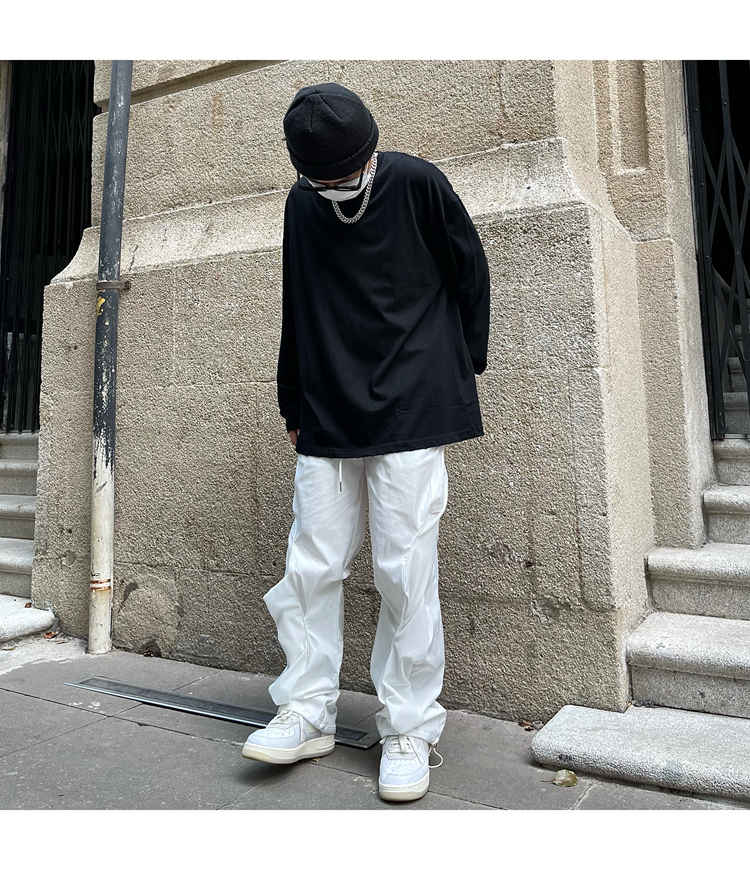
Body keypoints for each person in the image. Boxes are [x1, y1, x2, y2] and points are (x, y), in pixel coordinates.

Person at [241, 82, 490, 803]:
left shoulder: (416, 182)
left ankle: (409, 727)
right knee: (311, 562)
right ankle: (306, 709)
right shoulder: (301, 205)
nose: (335, 189)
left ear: (370, 152)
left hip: (414, 398)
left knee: (403, 567)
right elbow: (298, 300)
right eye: (322, 181)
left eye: (346, 175)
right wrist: (293, 399)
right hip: (328, 403)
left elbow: (469, 271)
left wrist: (457, 365)